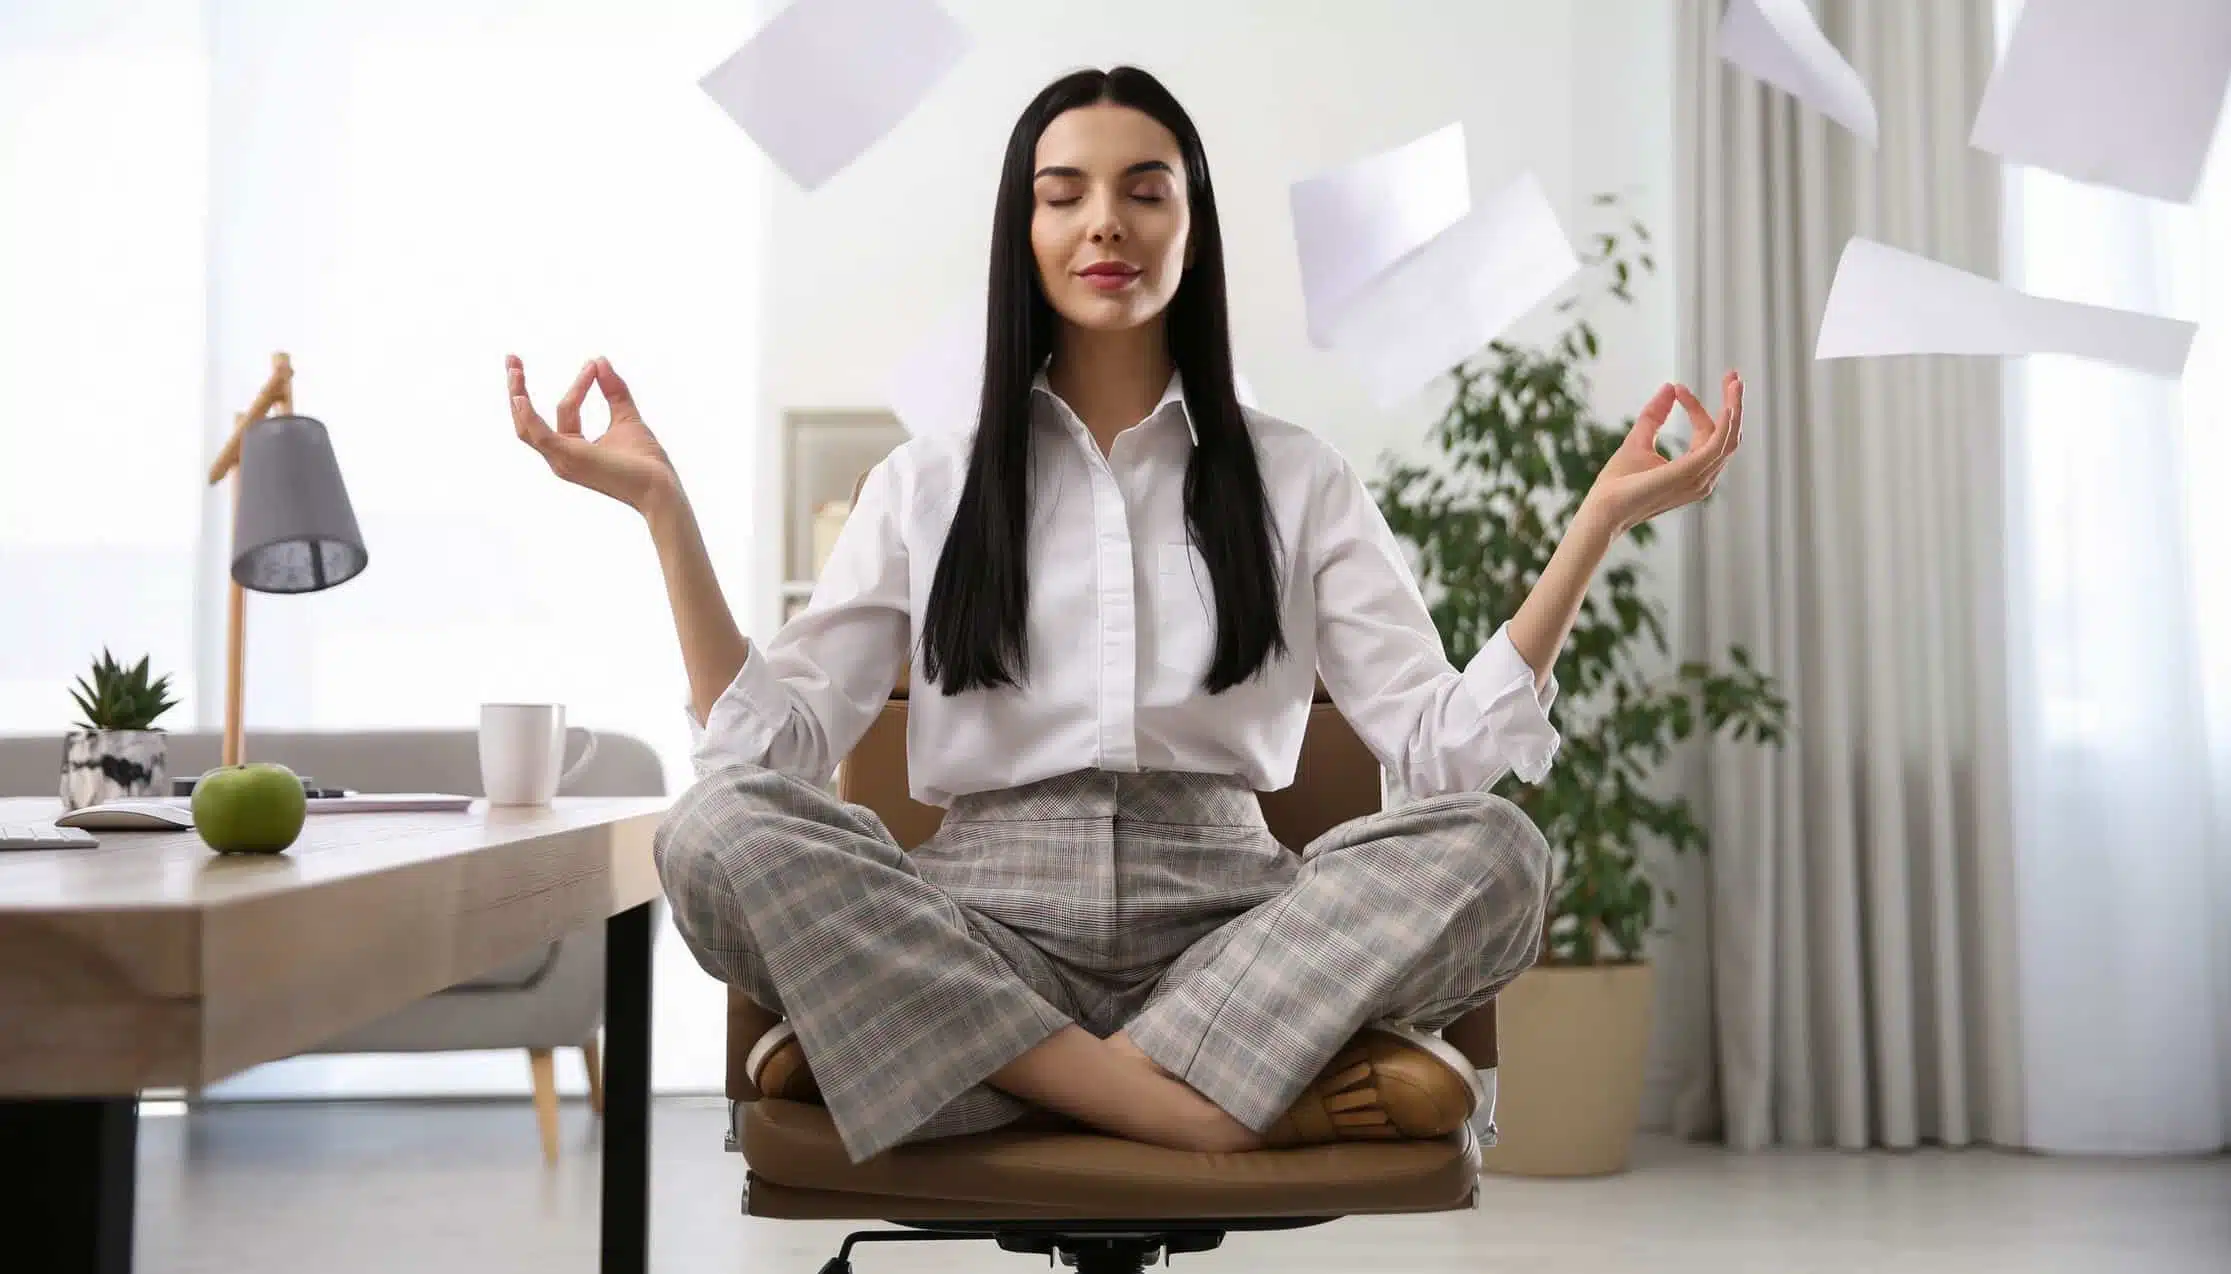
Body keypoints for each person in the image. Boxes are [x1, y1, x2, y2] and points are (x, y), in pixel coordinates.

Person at [505, 65, 1742, 1167]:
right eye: (1064, 193)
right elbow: (762, 756)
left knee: (1497, 855)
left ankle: (957, 1073)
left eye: (1146, 190)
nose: (1106, 220)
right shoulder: (927, 480)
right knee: (715, 828)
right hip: (976, 925)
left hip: (1231, 932)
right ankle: (1197, 1102)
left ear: (1191, 229)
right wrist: (664, 511)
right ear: (1024, 229)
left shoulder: (1297, 475)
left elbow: (1442, 756)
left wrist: (1593, 529)